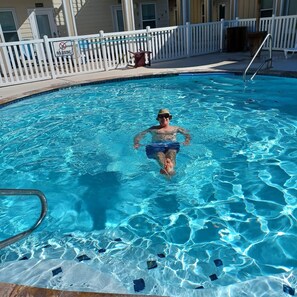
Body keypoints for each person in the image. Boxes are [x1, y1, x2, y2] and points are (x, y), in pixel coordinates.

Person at [133, 108, 191, 176]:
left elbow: (187, 134)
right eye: (161, 116)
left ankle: (170, 169)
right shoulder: (153, 129)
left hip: (171, 144)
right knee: (159, 155)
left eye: (166, 116)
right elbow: (139, 135)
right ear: (158, 119)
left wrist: (187, 140)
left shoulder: (176, 128)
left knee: (172, 153)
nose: (163, 118)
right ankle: (166, 169)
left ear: (169, 118)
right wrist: (136, 143)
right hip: (156, 146)